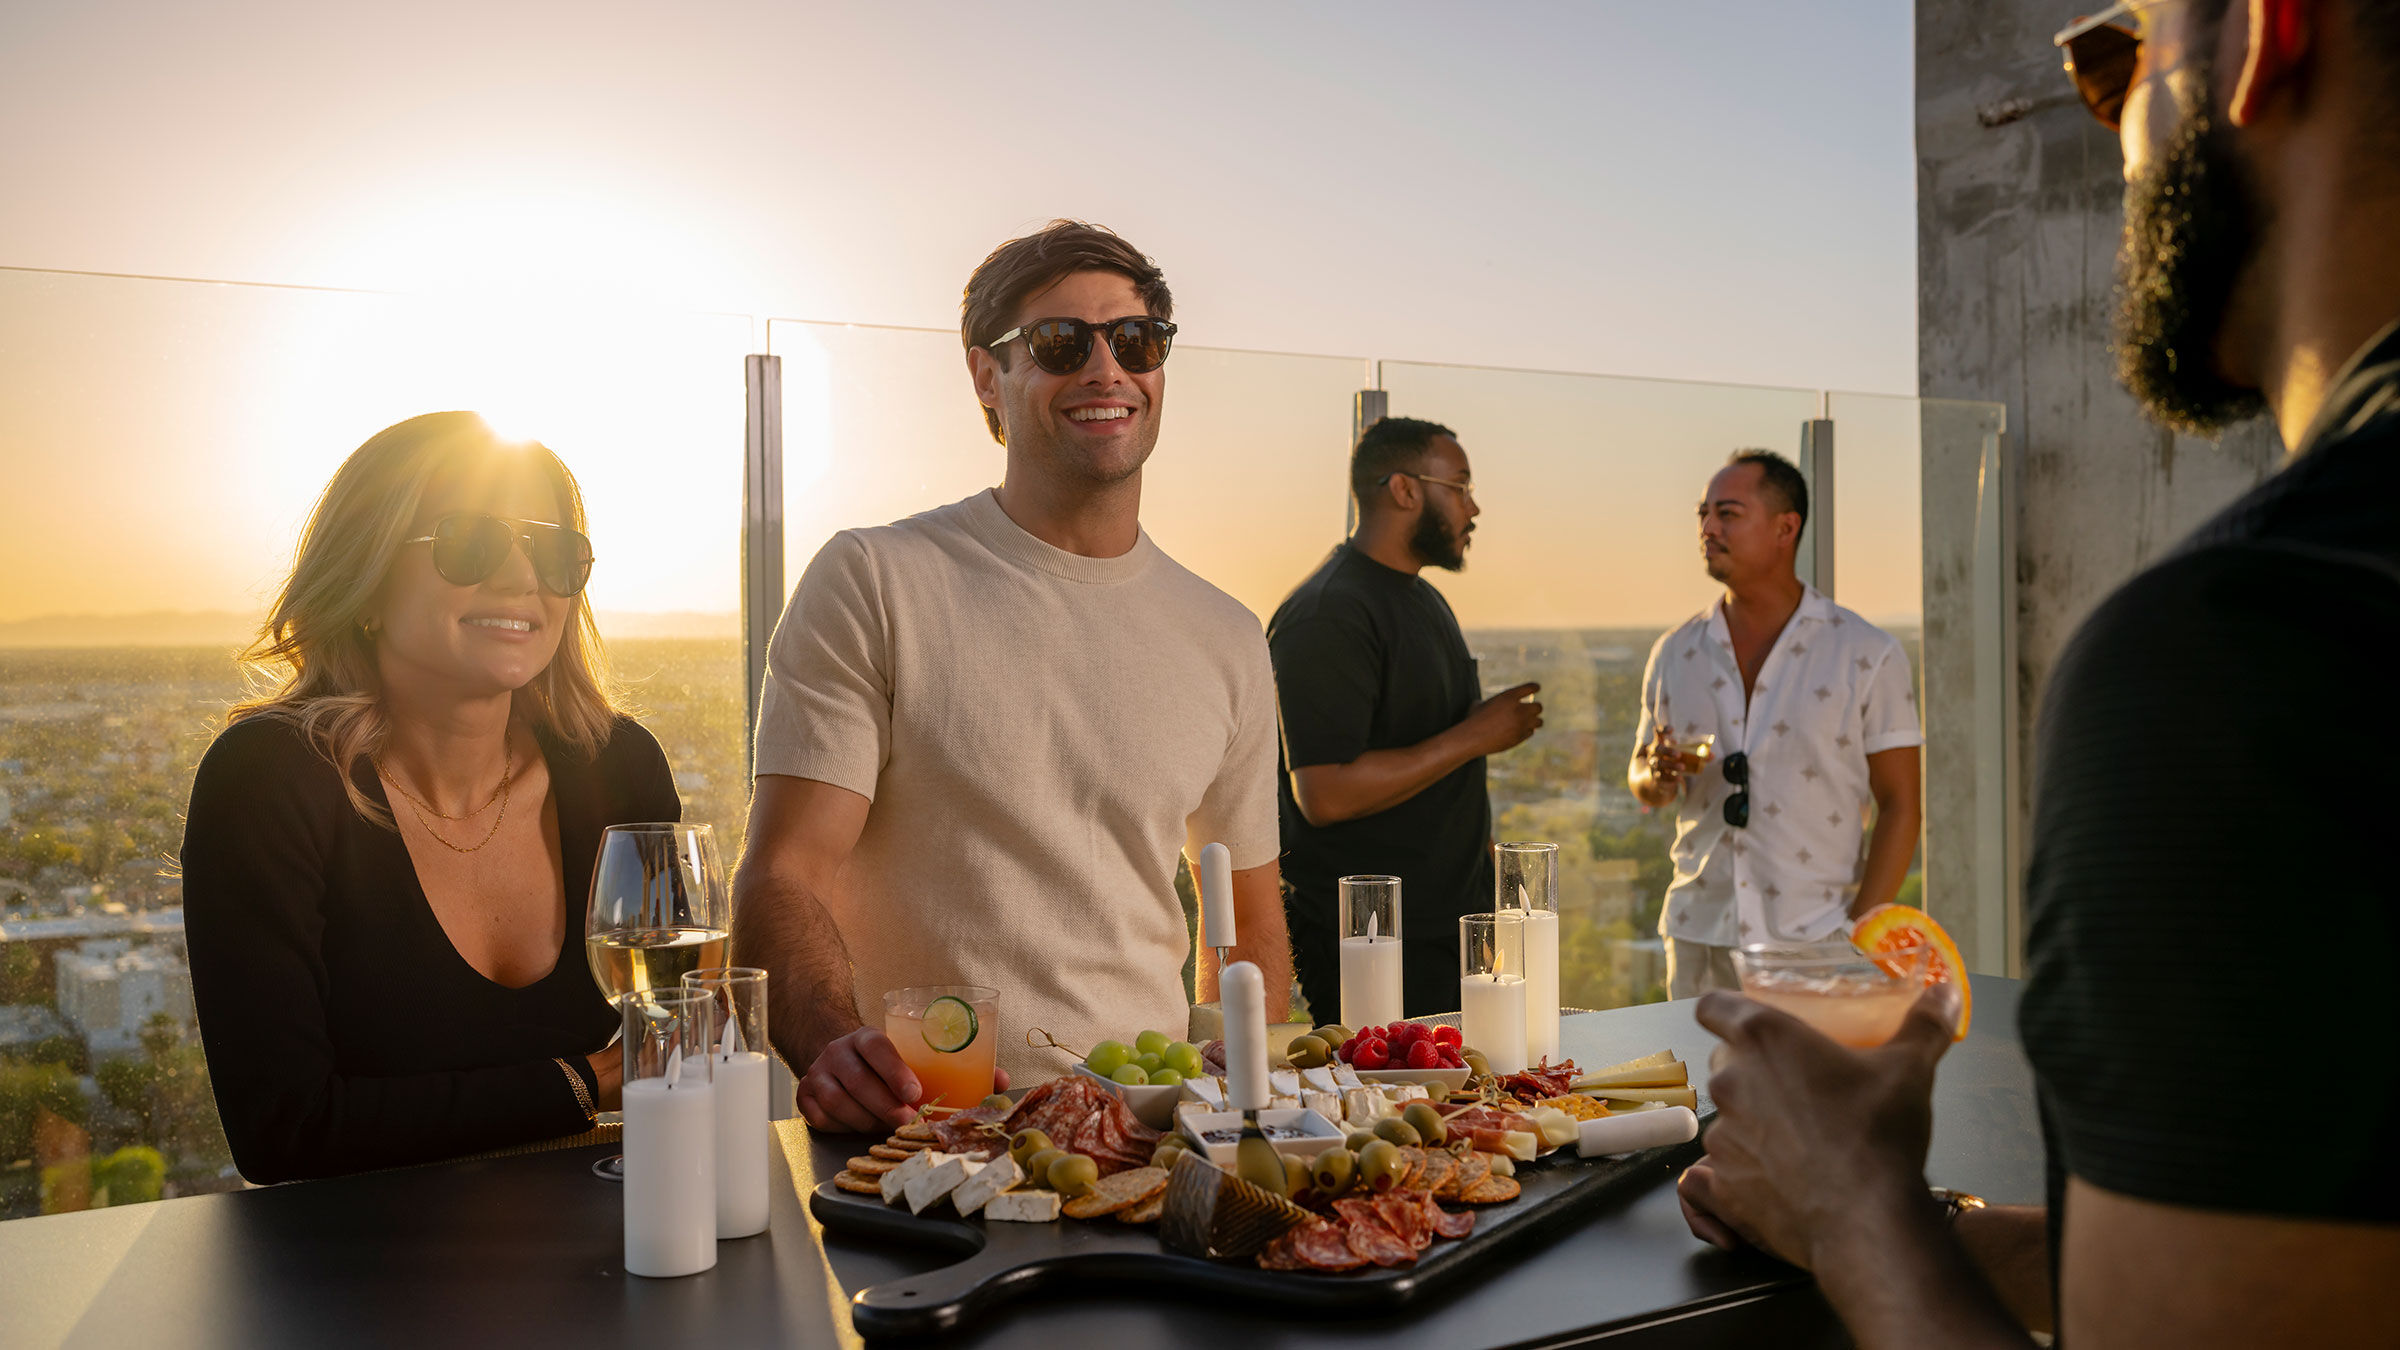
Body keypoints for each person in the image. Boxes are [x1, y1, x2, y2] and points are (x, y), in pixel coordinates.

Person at [1678, 1, 2400, 1343]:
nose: (2113, 123)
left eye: (2118, 55)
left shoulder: (2257, 652)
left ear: (2260, 32)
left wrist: (1851, 1202)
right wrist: (1930, 1224)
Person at [736, 221, 1292, 1133]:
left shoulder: (1227, 636)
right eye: (1060, 343)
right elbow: (783, 873)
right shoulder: (875, 579)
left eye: (1136, 341)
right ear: (987, 376)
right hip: (925, 1130)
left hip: (1149, 1138)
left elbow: (1248, 918)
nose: (1107, 370)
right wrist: (837, 1049)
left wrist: (1241, 1063)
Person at [181, 412, 678, 1183]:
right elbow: (286, 1130)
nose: (521, 579)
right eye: (471, 541)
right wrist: (587, 1080)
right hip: (360, 1275)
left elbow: (685, 1044)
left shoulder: (619, 767)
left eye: (552, 552)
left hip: (616, 1249)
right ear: (367, 578)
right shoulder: (269, 780)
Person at [1267, 417, 1541, 1019]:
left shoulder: (1422, 597)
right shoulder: (1327, 615)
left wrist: (1486, 895)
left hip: (1445, 932)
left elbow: (1439, 770)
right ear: (1405, 490)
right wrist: (1477, 736)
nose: (1474, 507)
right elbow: (1324, 793)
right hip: (1374, 945)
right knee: (1387, 1112)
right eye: (1461, 487)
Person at [1626, 450, 1922, 996]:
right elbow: (1643, 776)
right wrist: (1657, 776)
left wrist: (1859, 933)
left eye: (1728, 513)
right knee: (1703, 1085)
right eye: (1703, 514)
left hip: (1819, 944)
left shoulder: (1866, 653)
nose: (1708, 528)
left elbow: (1902, 804)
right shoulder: (1675, 651)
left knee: (1812, 1087)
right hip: (1698, 938)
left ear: (1787, 528)